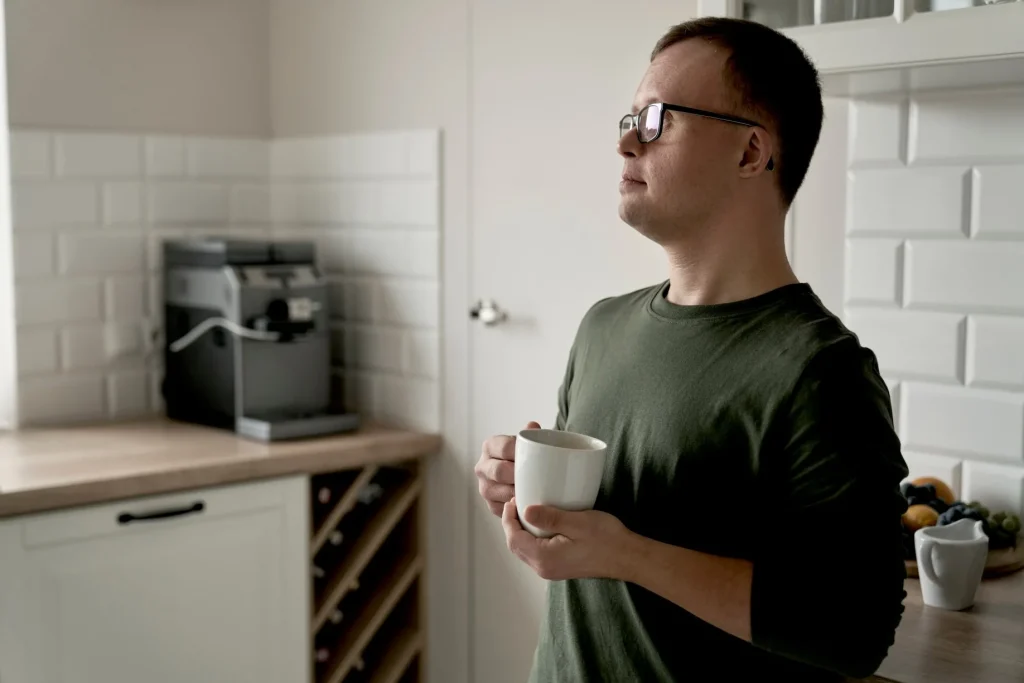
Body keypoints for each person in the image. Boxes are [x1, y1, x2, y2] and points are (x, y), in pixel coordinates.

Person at [474, 16, 910, 683]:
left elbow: (856, 631)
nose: (625, 141)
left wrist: (626, 554)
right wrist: (520, 489)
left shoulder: (821, 371)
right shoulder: (602, 327)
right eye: (630, 118)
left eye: (656, 120)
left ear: (750, 153)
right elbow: (590, 535)